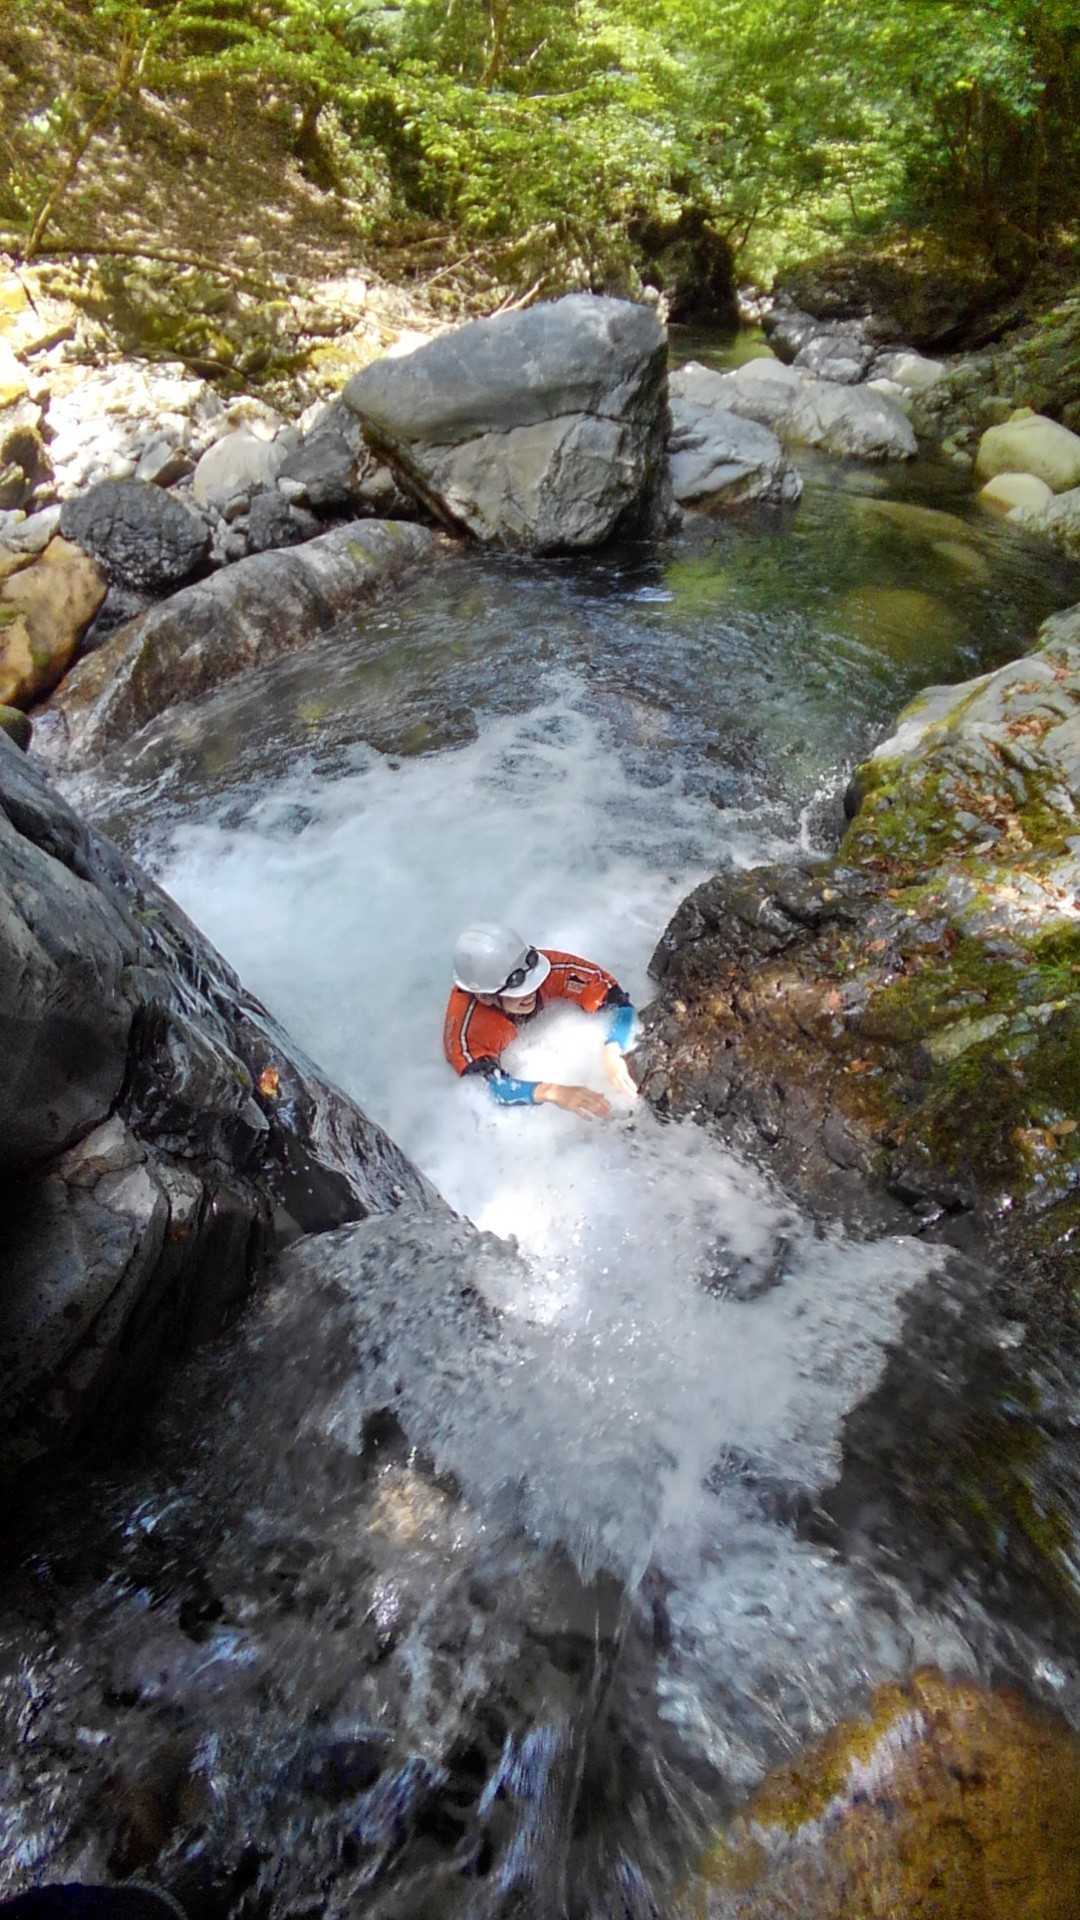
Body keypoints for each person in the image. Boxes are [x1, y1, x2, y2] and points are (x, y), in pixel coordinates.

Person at [443, 924, 637, 1119]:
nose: (531, 992)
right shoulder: (467, 1030)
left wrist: (613, 1049)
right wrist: (552, 1093)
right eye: (517, 991)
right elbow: (489, 1088)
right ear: (485, 997)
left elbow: (618, 1002)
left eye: (533, 980)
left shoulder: (551, 969)